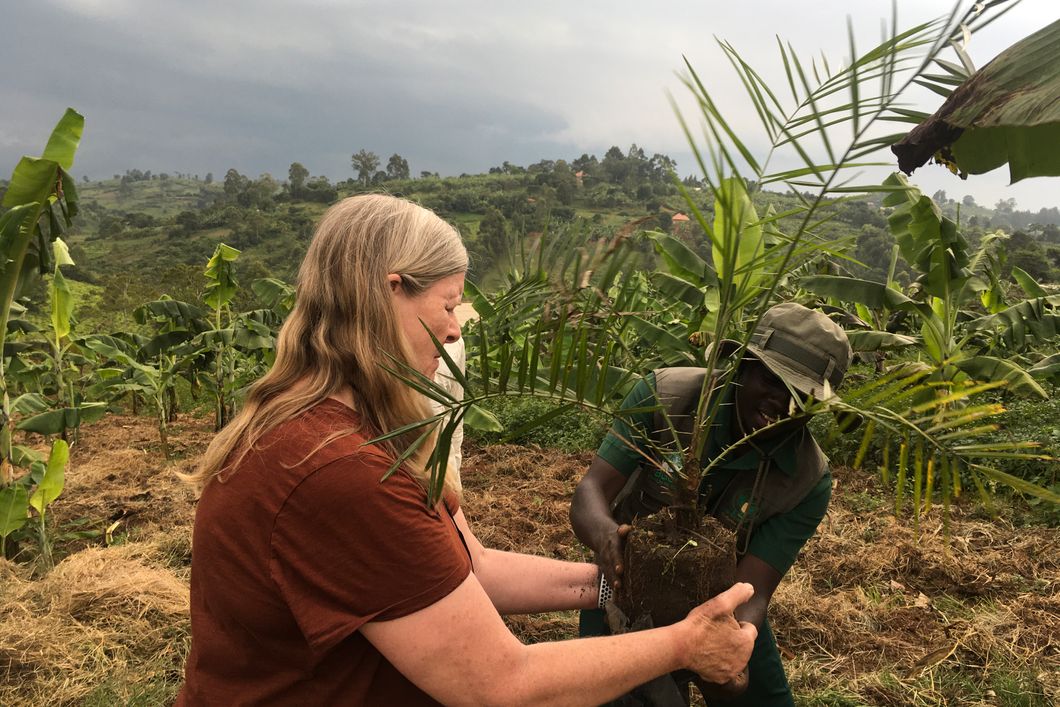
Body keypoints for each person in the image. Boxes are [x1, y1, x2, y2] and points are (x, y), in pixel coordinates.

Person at [177, 194, 758, 706]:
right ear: (390, 290)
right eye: (448, 304)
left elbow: (470, 569)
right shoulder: (338, 470)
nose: (455, 330)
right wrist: (685, 645)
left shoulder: (338, 429)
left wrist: (616, 582)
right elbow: (502, 684)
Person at [570, 303, 853, 706]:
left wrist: (734, 647)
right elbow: (591, 491)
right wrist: (608, 540)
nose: (784, 406)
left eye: (802, 398)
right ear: (742, 367)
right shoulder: (665, 396)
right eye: (773, 383)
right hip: (625, 585)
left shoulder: (807, 479)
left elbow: (754, 590)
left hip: (721, 599)